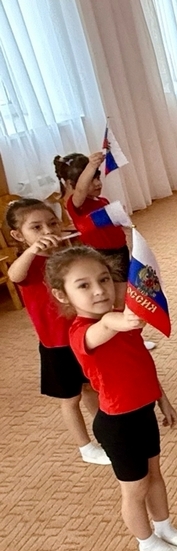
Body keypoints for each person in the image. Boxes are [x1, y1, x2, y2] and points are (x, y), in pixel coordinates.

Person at [48, 247, 177, 551]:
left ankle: (165, 528)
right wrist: (121, 317)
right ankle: (146, 541)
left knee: (155, 475)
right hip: (117, 424)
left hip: (143, 413)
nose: (99, 290)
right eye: (84, 285)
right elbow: (103, 328)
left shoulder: (125, 327)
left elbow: (142, 365)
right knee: (135, 488)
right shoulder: (82, 332)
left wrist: (162, 399)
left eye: (104, 279)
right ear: (62, 295)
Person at [5, 199, 108, 465]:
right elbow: (14, 275)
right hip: (57, 345)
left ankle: (106, 433)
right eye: (36, 227)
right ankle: (85, 447)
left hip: (81, 335)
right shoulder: (26, 264)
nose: (47, 231)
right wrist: (32, 250)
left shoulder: (63, 259)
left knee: (91, 387)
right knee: (70, 398)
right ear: (18, 235)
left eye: (52, 223)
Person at [56, 152, 130, 293]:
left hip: (121, 249)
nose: (97, 183)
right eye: (91, 180)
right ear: (71, 184)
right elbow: (80, 190)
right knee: (118, 290)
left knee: (126, 287)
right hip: (102, 254)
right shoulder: (75, 204)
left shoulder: (102, 201)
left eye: (97, 178)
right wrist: (91, 166)